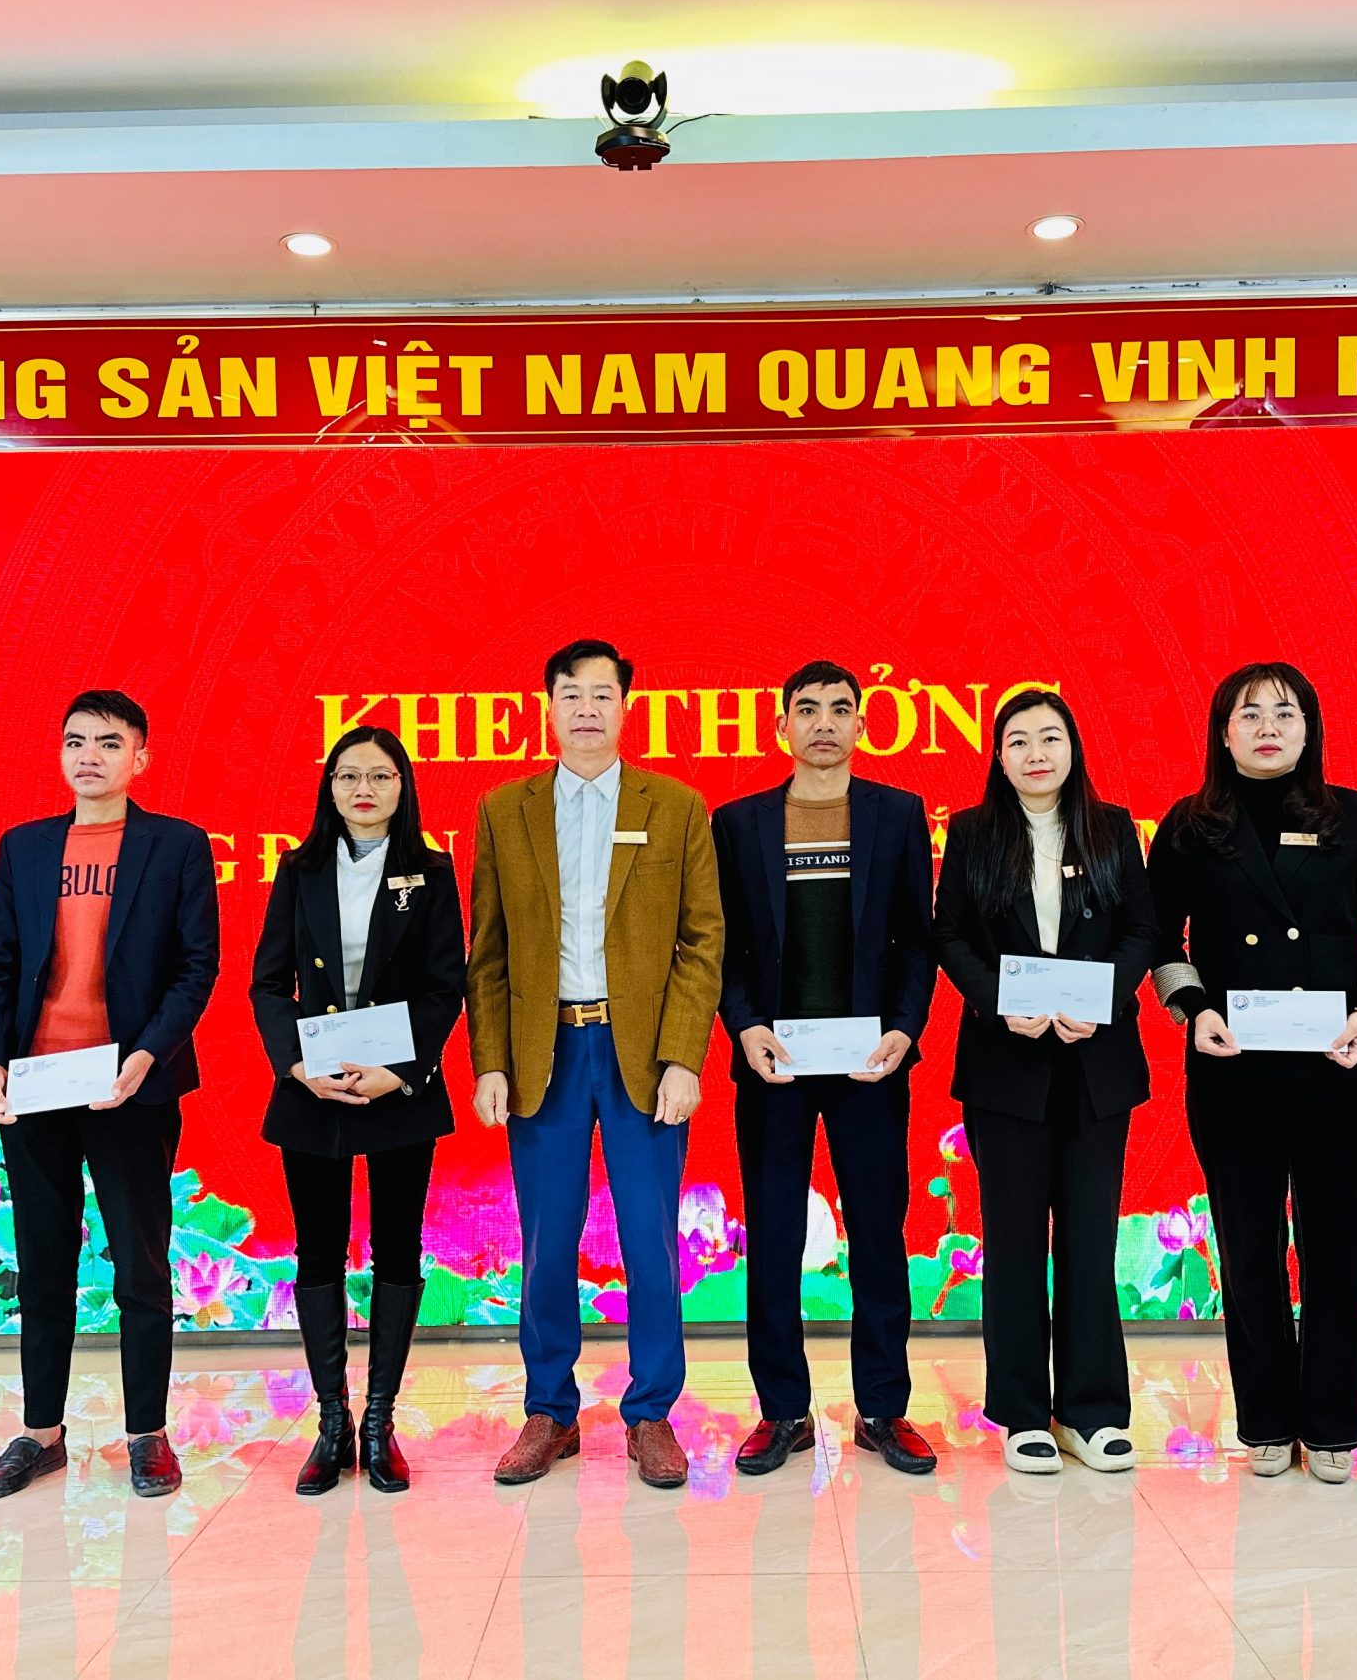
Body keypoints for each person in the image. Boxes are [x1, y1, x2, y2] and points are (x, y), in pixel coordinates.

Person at [1146, 663, 1357, 1486]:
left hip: (1338, 1061)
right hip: (1231, 1064)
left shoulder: (1352, 816)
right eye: (1250, 714)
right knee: (1248, 1246)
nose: (1268, 727)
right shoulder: (1190, 826)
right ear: (1223, 733)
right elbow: (1158, 936)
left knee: (1335, 1244)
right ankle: (1265, 1418)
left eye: (1285, 713)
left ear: (1310, 730)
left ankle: (1331, 1423)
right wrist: (1194, 1010)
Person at [467, 639, 725, 1489]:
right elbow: (488, 952)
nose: (586, 709)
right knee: (546, 1243)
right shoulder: (506, 810)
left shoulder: (676, 806)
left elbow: (702, 941)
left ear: (625, 707)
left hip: (639, 1053)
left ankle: (651, 1414)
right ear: (547, 707)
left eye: (601, 695)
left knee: (651, 1241)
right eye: (570, 694)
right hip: (543, 1053)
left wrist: (683, 1056)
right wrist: (491, 1060)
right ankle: (550, 1410)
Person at [0, 690, 223, 1503]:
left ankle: (147, 1433)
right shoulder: (25, 847)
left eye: (109, 743)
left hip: (129, 1085)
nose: (90, 755)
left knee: (140, 1267)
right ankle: (40, 1435)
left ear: (140, 757)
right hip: (38, 1083)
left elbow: (197, 967)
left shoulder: (177, 845)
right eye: (75, 741)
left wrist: (148, 1055)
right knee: (43, 1263)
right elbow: (2, 965)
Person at [713, 661, 939, 1477]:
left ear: (861, 726)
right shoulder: (738, 823)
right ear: (781, 726)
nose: (824, 724)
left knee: (878, 1234)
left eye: (840, 710)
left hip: (869, 1065)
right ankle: (783, 1411)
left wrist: (905, 1030)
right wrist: (744, 1025)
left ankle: (883, 1407)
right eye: (806, 710)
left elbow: (918, 940)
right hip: (774, 1064)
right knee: (774, 1238)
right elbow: (723, 945)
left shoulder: (898, 814)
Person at [932, 689, 1158, 1475]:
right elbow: (950, 936)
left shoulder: (1112, 828)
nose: (1036, 753)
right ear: (999, 757)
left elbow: (1142, 931)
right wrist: (999, 1001)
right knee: (1015, 1240)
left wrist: (1103, 1000)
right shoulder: (972, 833)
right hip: (1008, 1065)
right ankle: (1024, 1412)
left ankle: (1092, 1412)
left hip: (1097, 1064)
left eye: (1050, 737)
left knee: (1091, 1239)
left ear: (1073, 748)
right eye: (1019, 740)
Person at [251, 725, 467, 1495]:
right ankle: (331, 1422)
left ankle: (380, 1422)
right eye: (348, 775)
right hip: (314, 1086)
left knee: (397, 1251)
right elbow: (269, 983)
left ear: (403, 786)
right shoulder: (298, 869)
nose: (363, 789)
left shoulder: (431, 873)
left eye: (380, 775)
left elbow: (445, 987)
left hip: (396, 1086)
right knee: (318, 1252)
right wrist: (296, 1065)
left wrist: (399, 1071)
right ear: (330, 787)